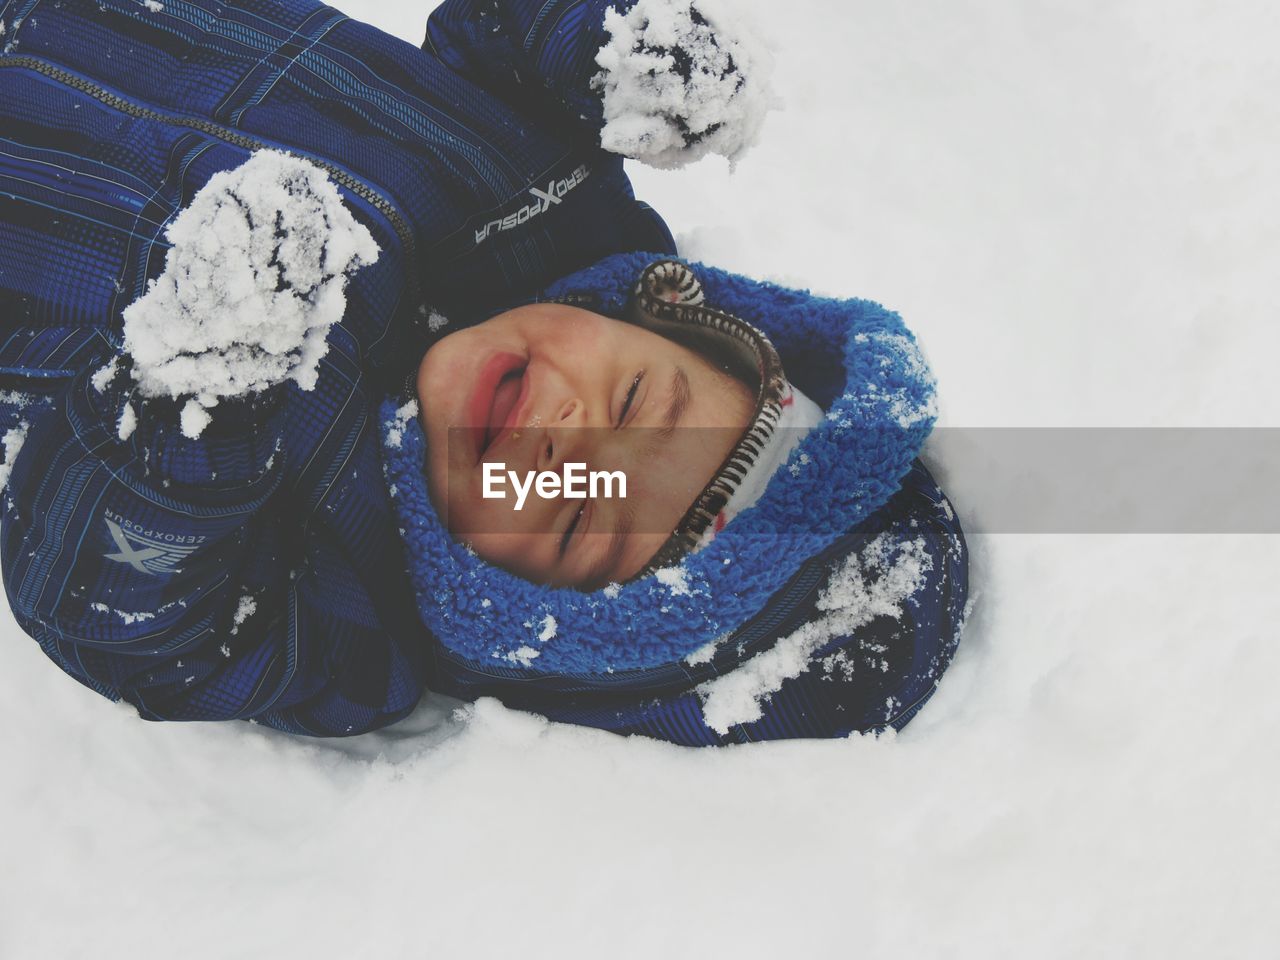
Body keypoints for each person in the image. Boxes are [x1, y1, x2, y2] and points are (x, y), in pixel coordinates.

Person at [0, 0, 968, 743]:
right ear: (666, 320)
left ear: (515, 612)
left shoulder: (346, 621)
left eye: (578, 510)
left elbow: (130, 624)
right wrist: (590, 41)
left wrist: (196, 402)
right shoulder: (556, 206)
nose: (562, 435)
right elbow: (486, 28)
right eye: (634, 398)